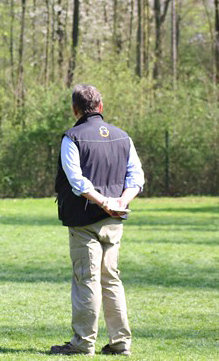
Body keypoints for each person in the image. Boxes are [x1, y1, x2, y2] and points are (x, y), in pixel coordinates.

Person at [51, 84, 144, 356]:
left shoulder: (72, 137)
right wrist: (120, 203)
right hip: (114, 220)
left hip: (84, 220)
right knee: (112, 280)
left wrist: (103, 201)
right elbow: (136, 177)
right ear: (100, 106)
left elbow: (76, 180)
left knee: (86, 280)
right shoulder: (122, 137)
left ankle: (82, 343)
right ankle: (120, 343)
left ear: (74, 109)